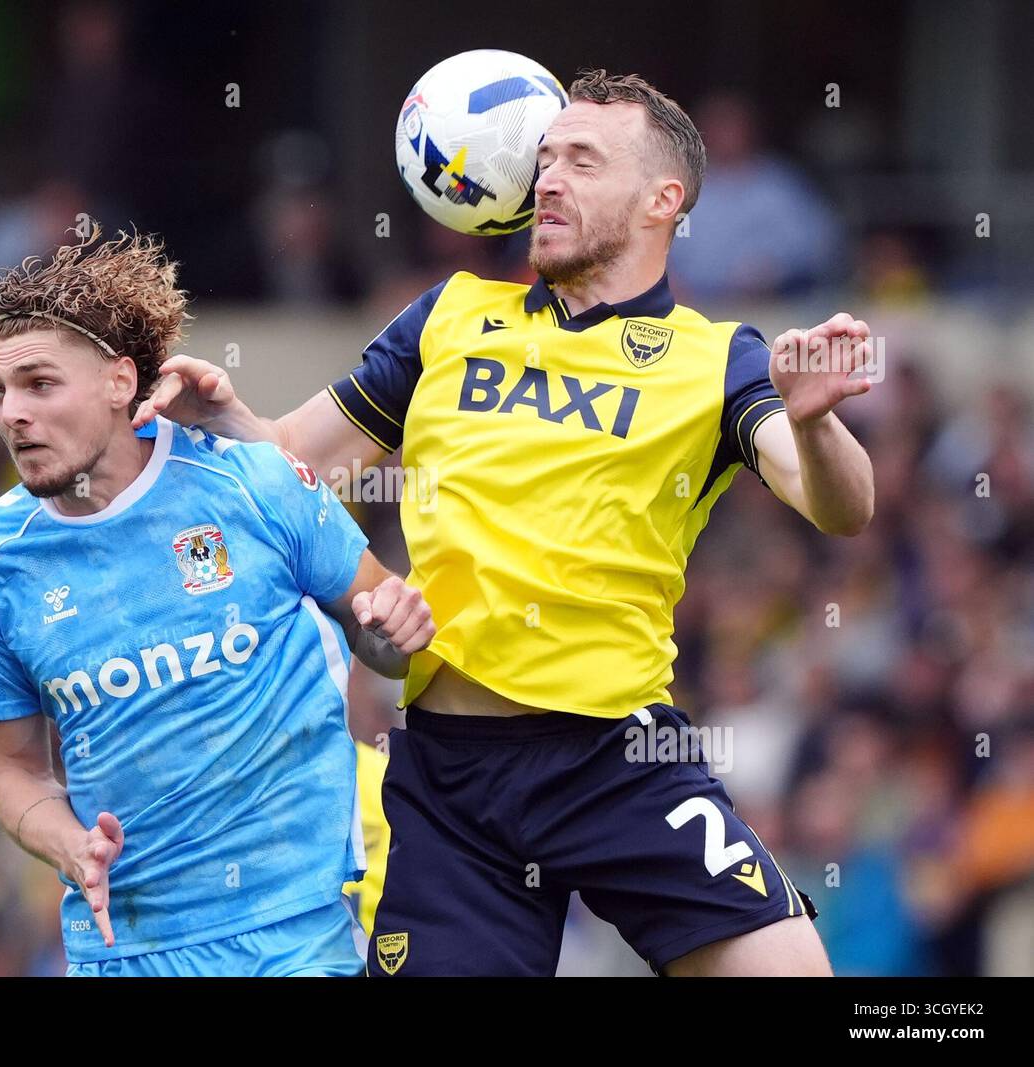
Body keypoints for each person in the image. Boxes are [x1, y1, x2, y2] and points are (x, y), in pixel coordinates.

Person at [134, 70, 876, 977]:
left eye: (582, 160)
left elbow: (840, 505)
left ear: (662, 200)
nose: (547, 179)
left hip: (620, 755)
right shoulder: (448, 318)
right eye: (546, 157)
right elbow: (298, 461)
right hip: (454, 776)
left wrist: (812, 418)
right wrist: (229, 418)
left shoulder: (719, 357)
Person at [0, 230, 434, 977]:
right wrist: (68, 843)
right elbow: (13, 770)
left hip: (290, 934)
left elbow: (384, 642)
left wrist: (396, 626)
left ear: (119, 382)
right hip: (120, 949)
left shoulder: (253, 484)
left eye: (39, 384)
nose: (12, 412)